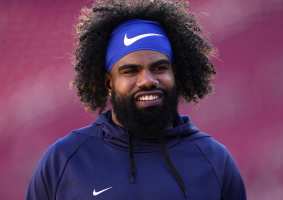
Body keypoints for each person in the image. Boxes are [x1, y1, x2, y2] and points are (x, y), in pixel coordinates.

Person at [26, 0, 246, 199]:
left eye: (159, 68)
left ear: (175, 74)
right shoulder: (64, 161)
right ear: (108, 82)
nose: (147, 81)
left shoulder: (215, 161)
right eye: (130, 71)